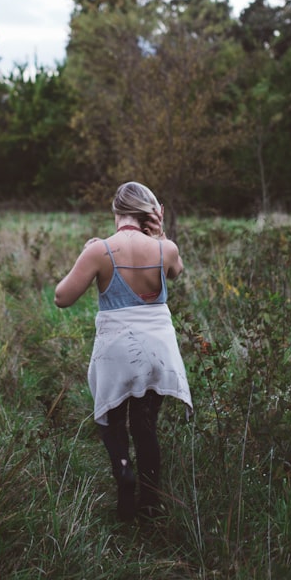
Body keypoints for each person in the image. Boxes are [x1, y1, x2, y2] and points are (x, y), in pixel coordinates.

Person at [55, 181, 193, 522]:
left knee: (113, 421)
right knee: (146, 426)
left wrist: (88, 253)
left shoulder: (99, 251)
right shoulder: (167, 249)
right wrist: (161, 237)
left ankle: (124, 476)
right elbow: (176, 273)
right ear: (152, 212)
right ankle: (151, 503)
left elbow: (62, 298)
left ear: (115, 212)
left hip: (117, 350)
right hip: (158, 349)